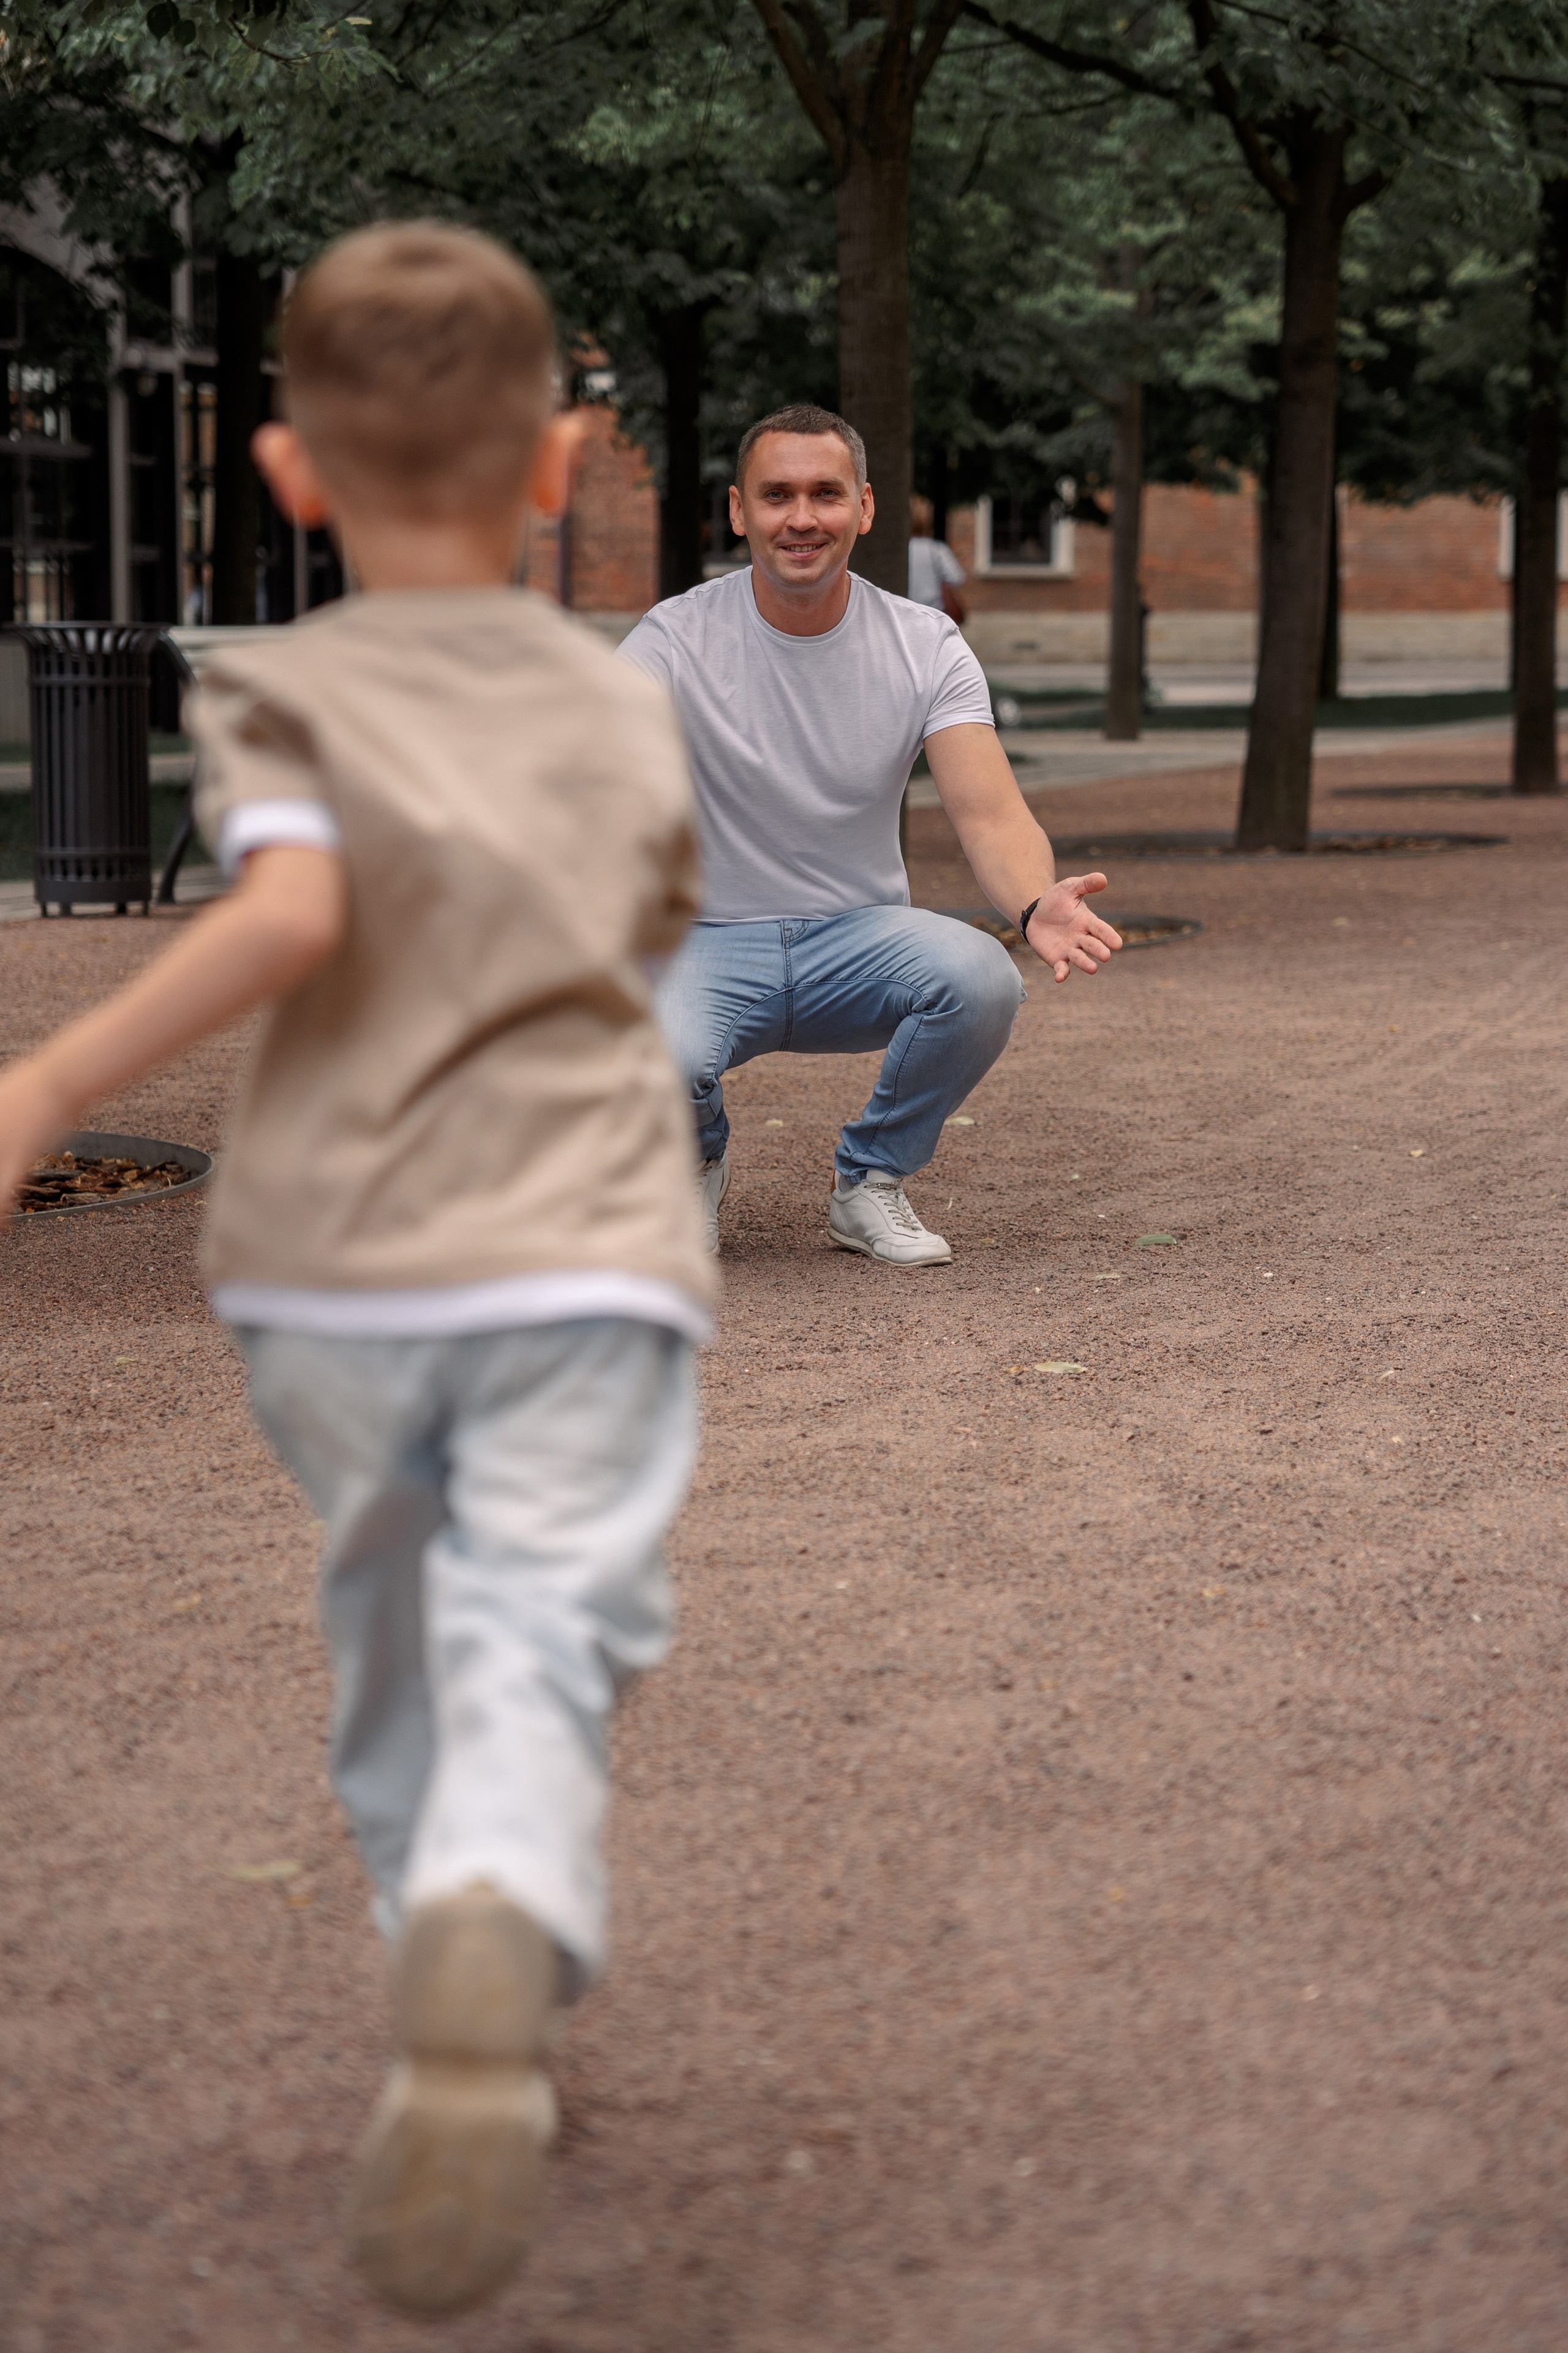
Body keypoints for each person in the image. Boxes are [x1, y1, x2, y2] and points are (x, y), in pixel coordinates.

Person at [0, 223, 711, 2319]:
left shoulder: (279, 687)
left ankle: (446, 1959)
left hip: (332, 1266)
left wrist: (48, 1081)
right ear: (558, 462)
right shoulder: (622, 705)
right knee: (545, 1608)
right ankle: (497, 1898)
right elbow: (655, 935)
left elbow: (295, 914)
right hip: (579, 1244)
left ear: (291, 470)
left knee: (394, 1618)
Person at [619, 403, 1121, 1267]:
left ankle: (869, 1182)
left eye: (826, 493)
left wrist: (1035, 900)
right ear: (738, 511)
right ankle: (692, 1166)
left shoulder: (925, 644)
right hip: (707, 937)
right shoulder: (674, 637)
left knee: (981, 977)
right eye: (776, 495)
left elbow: (990, 812)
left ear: (865, 506)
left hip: (855, 940)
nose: (801, 518)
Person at [907, 491, 967, 622]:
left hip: (902, 615)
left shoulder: (896, 551)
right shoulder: (936, 550)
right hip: (932, 617)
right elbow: (956, 579)